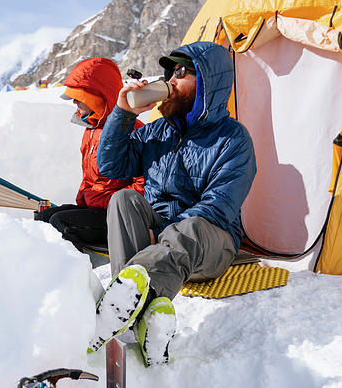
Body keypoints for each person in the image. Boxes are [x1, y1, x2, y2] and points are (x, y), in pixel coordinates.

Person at [88, 41, 256, 365]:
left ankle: (124, 301)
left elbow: (216, 209)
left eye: (183, 72)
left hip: (210, 241)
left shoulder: (234, 139)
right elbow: (111, 166)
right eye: (171, 71)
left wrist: (164, 236)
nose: (172, 79)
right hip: (163, 242)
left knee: (190, 226)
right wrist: (123, 115)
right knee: (123, 199)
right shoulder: (158, 131)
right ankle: (140, 311)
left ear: (208, 82)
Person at [34, 57, 143, 252]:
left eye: (79, 97)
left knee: (60, 223)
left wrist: (108, 203)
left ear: (97, 96)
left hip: (118, 217)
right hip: (94, 208)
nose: (74, 102)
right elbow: (89, 177)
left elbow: (144, 183)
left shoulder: (133, 131)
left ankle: (78, 273)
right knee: (42, 219)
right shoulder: (91, 129)